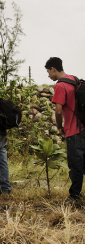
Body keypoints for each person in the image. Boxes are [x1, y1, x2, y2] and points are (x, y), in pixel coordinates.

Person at [46, 57, 84, 203]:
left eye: (48, 72)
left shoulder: (60, 86)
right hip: (83, 127)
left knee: (75, 164)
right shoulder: (75, 81)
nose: (49, 75)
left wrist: (60, 126)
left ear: (53, 69)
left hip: (73, 131)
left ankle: (75, 196)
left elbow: (58, 111)